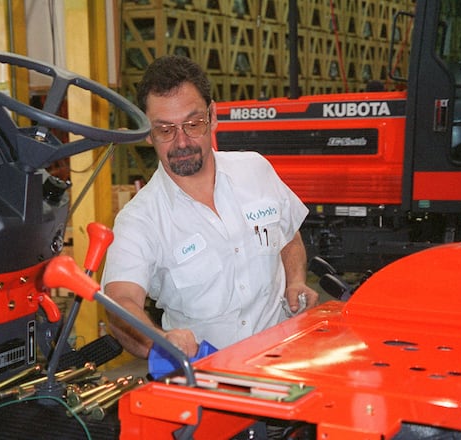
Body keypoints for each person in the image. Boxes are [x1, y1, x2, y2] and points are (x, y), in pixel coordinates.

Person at [101, 55, 317, 359]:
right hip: (207, 379)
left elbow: (289, 237)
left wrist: (295, 281)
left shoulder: (256, 170)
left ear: (213, 116)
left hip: (284, 360)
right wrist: (161, 342)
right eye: (165, 130)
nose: (182, 142)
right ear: (147, 133)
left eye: (193, 124)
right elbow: (121, 303)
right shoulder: (140, 220)